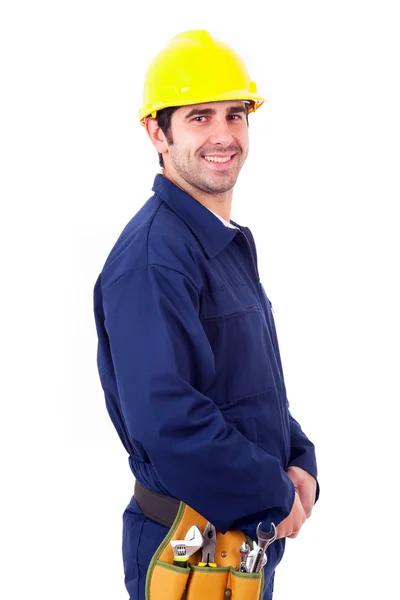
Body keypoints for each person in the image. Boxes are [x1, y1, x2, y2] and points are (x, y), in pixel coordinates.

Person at [93, 29, 319, 600]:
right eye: (199, 117)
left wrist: (298, 459)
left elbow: (247, 388)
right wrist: (272, 491)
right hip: (185, 548)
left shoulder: (218, 242)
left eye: (235, 114)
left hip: (239, 543)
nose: (224, 135)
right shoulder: (153, 259)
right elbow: (169, 420)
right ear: (156, 132)